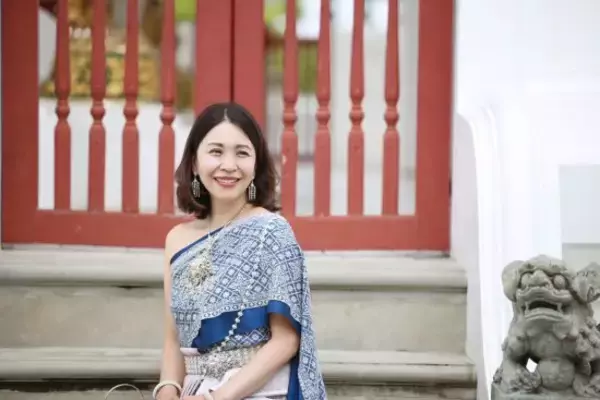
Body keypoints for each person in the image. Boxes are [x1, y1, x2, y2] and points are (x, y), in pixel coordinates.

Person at [152, 102, 327, 400]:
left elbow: (286, 340)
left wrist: (216, 398)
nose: (229, 165)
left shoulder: (272, 232)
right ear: (194, 162)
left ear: (256, 164)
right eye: (216, 152)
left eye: (242, 153)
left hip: (258, 390)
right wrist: (167, 392)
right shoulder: (177, 240)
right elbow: (173, 340)